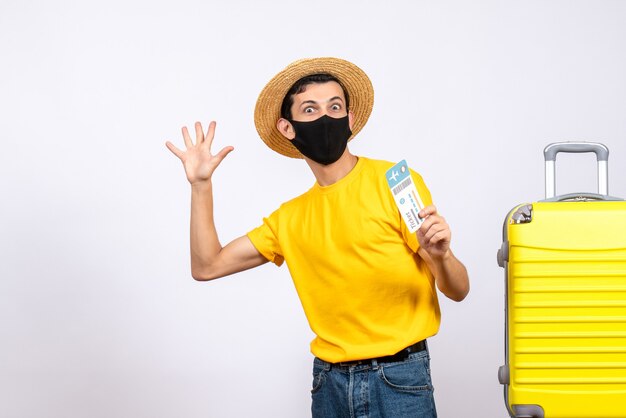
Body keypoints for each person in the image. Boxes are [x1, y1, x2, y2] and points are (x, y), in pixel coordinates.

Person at [166, 57, 469, 418]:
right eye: (310, 109)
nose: (326, 117)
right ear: (288, 128)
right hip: (329, 385)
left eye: (335, 107)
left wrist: (442, 256)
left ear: (350, 120)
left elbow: (458, 290)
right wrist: (201, 185)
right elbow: (207, 266)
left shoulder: (396, 183)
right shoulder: (289, 219)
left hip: (400, 378)